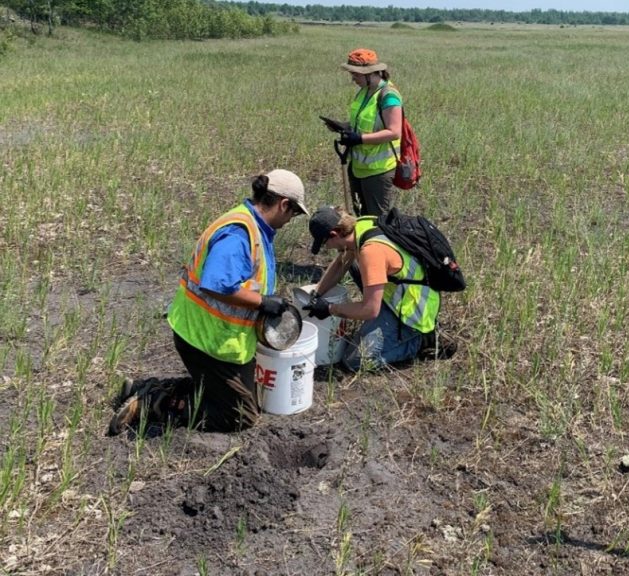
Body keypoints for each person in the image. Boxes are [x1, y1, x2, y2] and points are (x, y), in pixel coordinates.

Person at [109, 169, 309, 435]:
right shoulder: (240, 234)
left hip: (223, 339)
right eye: (293, 213)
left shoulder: (253, 225)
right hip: (204, 339)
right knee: (240, 417)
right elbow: (216, 284)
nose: (290, 220)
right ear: (284, 204)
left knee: (248, 397)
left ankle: (149, 388)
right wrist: (262, 302)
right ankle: (155, 402)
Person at [303, 206, 455, 372]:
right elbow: (341, 262)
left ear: (334, 234)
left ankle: (422, 340)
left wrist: (330, 309)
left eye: (325, 243)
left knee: (355, 362)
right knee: (351, 262)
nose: (327, 247)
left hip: (412, 311)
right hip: (397, 295)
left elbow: (370, 310)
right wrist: (317, 293)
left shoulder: (370, 251)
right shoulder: (361, 225)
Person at [331, 48, 403, 217]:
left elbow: (394, 132)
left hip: (378, 171)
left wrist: (359, 139)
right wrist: (345, 127)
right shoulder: (364, 92)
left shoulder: (389, 95)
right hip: (358, 167)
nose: (353, 79)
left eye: (356, 74)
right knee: (361, 216)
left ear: (370, 73)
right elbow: (366, 123)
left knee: (378, 220)